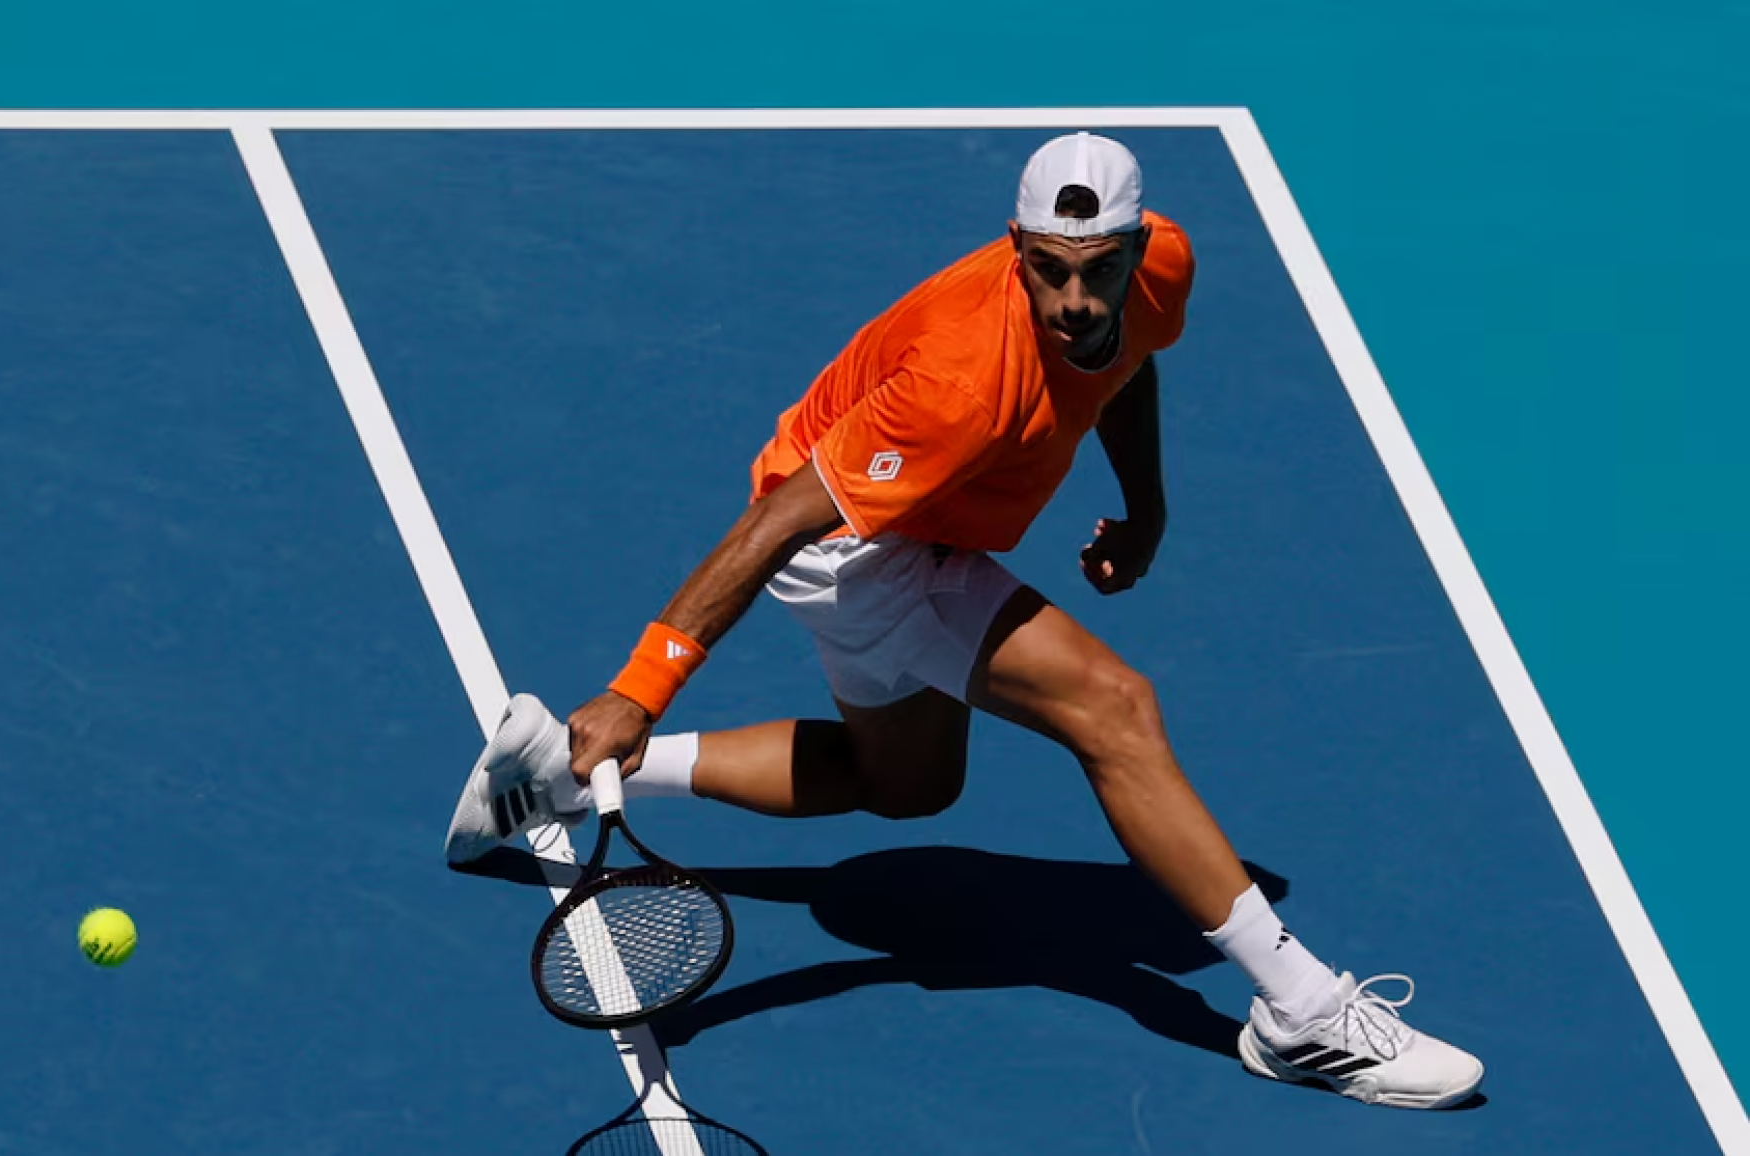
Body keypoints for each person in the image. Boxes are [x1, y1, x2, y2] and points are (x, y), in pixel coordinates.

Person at [443, 132, 1484, 1109]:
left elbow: (1121, 362)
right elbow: (776, 522)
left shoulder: (1162, 269)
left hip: (917, 527)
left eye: (1100, 269)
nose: (1075, 300)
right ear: (1016, 247)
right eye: (1048, 271)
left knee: (904, 786)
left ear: (1136, 247)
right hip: (855, 546)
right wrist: (638, 685)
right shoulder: (959, 381)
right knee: (1114, 708)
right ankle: (1301, 1012)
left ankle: (564, 776)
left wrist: (1147, 506)